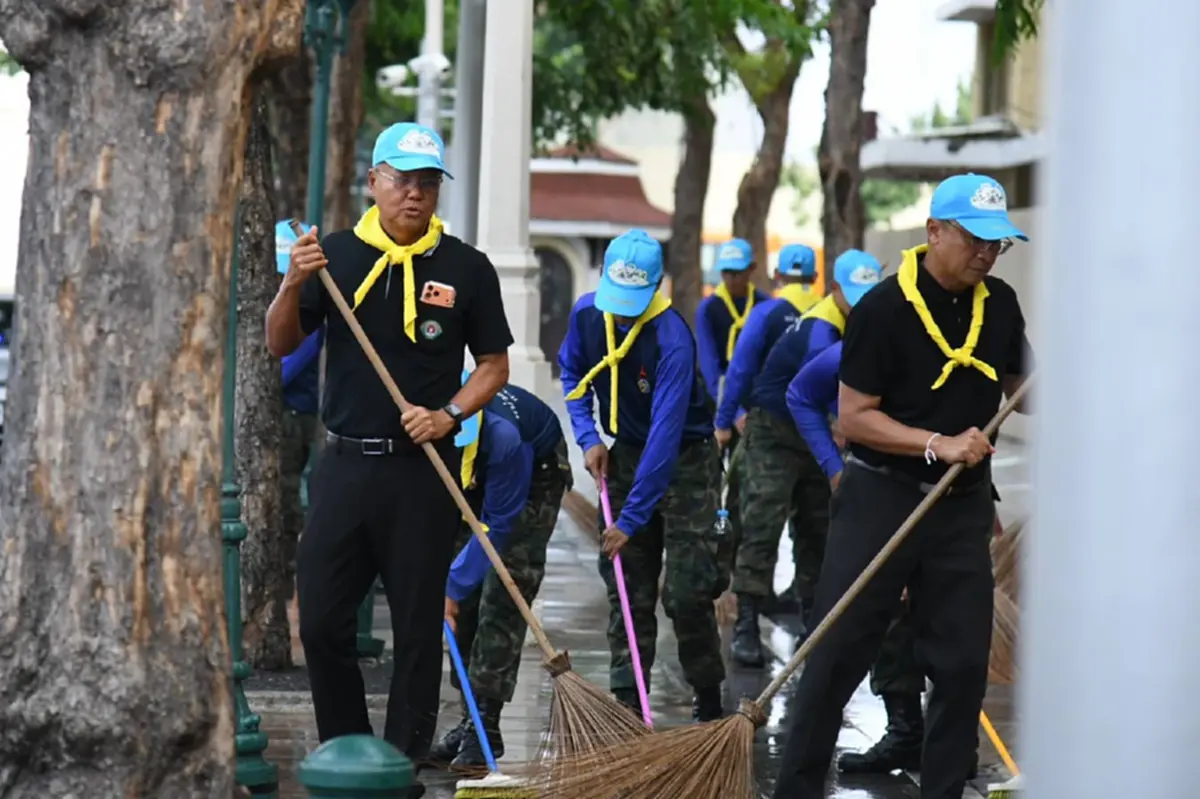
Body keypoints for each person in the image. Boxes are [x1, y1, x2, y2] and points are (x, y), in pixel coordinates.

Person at [264, 122, 513, 779]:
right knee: (320, 620)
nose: (415, 194)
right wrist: (292, 283)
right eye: (402, 180)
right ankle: (350, 753)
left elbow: (494, 365)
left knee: (416, 631)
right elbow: (279, 343)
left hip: (421, 475)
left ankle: (399, 764)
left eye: (427, 183)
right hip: (345, 464)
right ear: (373, 181)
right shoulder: (335, 257)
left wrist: (449, 413)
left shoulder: (466, 267)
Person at [771, 173, 1033, 799]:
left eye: (998, 244)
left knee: (964, 662)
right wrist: (937, 444)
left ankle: (943, 790)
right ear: (935, 230)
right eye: (975, 239)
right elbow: (856, 416)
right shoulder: (882, 310)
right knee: (836, 655)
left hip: (961, 504)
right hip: (881, 497)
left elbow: (1023, 391)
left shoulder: (998, 304)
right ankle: (797, 788)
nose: (987, 254)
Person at [559, 229, 726, 722]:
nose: (622, 310)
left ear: (656, 288)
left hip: (687, 461)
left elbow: (666, 438)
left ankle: (708, 695)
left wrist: (629, 519)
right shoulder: (587, 314)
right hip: (626, 452)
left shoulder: (673, 338)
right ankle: (629, 703)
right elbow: (572, 373)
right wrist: (589, 438)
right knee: (626, 588)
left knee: (686, 593)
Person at [727, 251, 882, 667]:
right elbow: (833, 396)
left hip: (817, 434)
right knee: (762, 524)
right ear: (833, 288)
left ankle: (815, 623)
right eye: (855, 295)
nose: (862, 303)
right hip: (774, 431)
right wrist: (726, 418)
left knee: (818, 527)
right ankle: (745, 623)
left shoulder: (862, 323)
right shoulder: (820, 329)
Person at [788, 340, 926, 773]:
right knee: (879, 612)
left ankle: (947, 747)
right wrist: (835, 467)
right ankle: (904, 731)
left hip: (946, 493)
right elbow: (800, 394)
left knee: (950, 627)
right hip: (878, 490)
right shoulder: (861, 339)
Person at [432, 377, 572, 767]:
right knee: (462, 604)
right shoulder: (427, 419)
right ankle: (470, 718)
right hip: (471, 475)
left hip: (532, 479)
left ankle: (486, 727)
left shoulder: (506, 439)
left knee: (502, 598)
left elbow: (499, 525)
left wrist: (453, 585)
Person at [715, 242, 822, 616]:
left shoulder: (765, 313)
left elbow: (739, 370)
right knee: (815, 529)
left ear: (777, 276)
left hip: (770, 431)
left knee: (759, 525)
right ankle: (812, 619)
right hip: (820, 436)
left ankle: (746, 626)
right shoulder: (830, 315)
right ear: (814, 277)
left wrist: (725, 420)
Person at [276, 220, 324, 598]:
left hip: (293, 417)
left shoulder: (308, 307)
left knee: (288, 501)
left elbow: (288, 363)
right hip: (281, 414)